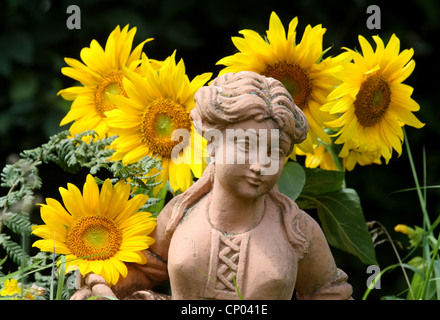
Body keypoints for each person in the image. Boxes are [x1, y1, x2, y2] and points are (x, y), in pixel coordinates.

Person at [72, 71, 352, 300]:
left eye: (275, 152)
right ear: (213, 143)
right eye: (245, 146)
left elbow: (330, 293)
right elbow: (145, 271)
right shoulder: (180, 213)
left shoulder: (297, 230)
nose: (260, 165)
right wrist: (97, 287)